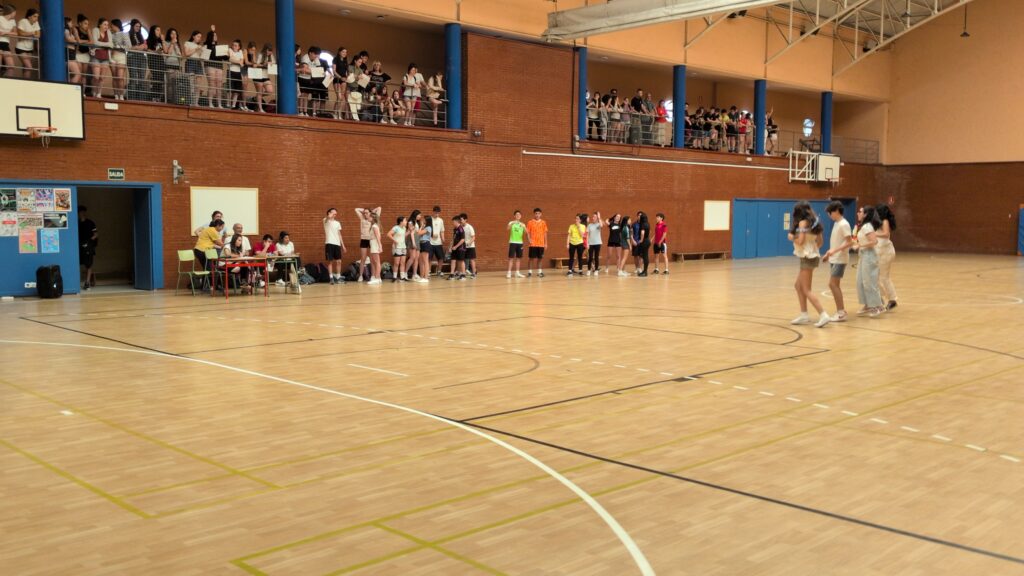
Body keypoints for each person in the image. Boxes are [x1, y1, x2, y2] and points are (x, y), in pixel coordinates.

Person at [787, 201, 830, 327]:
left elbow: (800, 241)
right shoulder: (815, 222)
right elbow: (820, 242)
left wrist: (791, 238)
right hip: (811, 256)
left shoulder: (802, 223)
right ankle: (804, 315)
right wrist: (811, 248)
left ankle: (823, 314)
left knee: (806, 289)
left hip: (807, 257)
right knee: (798, 285)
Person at [822, 201, 853, 322]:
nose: (829, 215)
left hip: (840, 258)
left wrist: (834, 251)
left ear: (836, 211)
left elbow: (849, 242)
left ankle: (841, 312)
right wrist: (828, 254)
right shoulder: (837, 223)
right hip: (835, 258)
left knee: (832, 284)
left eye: (830, 213)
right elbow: (837, 242)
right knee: (835, 285)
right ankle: (840, 311)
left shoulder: (844, 224)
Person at [854, 205, 884, 317]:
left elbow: (874, 241)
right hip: (863, 255)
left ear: (865, 214)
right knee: (860, 281)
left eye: (860, 212)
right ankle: (868, 304)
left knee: (869, 282)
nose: (858, 213)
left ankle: (877, 306)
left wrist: (860, 245)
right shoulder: (863, 226)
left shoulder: (867, 226)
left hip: (869, 256)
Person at [876, 204, 899, 311]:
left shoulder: (884, 221)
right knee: (877, 276)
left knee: (884, 277)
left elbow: (886, 234)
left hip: (885, 252)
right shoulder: (878, 222)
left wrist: (874, 234)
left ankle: (892, 299)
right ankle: (882, 297)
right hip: (881, 251)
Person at [353, 206, 381, 282]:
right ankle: (361, 275)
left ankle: (373, 276)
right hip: (364, 240)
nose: (365, 214)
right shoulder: (362, 218)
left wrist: (371, 211)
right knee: (363, 258)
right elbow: (356, 209)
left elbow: (379, 208)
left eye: (367, 213)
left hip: (371, 240)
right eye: (364, 213)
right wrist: (364, 211)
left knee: (372, 259)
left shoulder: (373, 219)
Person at [90, 18, 114, 98]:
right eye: (104, 24)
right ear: (100, 24)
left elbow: (111, 44)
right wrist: (107, 44)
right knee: (96, 77)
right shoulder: (95, 30)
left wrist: (110, 58)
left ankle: (99, 93)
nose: (106, 26)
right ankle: (93, 91)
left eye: (107, 25)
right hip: (96, 56)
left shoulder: (108, 32)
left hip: (105, 57)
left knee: (102, 78)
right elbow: (95, 42)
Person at [323, 208, 346, 284]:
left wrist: (343, 245)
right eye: (333, 213)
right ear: (329, 213)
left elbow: (339, 234)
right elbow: (326, 219)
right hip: (329, 243)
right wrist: (328, 216)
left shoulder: (337, 223)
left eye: (336, 213)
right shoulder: (325, 220)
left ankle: (338, 277)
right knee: (330, 261)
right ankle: (331, 278)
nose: (335, 214)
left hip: (337, 244)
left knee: (339, 261)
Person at [16, 9, 40, 79]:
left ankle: (23, 82)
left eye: (37, 17)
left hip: (30, 48)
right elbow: (20, 33)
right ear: (29, 17)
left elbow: (38, 35)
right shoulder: (23, 21)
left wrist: (27, 34)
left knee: (26, 67)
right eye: (34, 16)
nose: (36, 18)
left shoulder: (36, 23)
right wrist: (32, 33)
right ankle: (26, 82)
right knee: (29, 67)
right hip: (21, 47)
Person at [78, 205, 98, 290]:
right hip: (78, 245)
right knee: (77, 263)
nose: (82, 214)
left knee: (88, 264)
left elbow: (96, 234)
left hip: (88, 246)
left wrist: (88, 242)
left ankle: (87, 282)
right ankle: (76, 283)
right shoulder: (76, 223)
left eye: (83, 212)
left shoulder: (90, 223)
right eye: (80, 212)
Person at [525, 207, 548, 278]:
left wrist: (546, 243)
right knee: (531, 258)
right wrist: (529, 239)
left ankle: (539, 272)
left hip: (541, 244)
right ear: (534, 214)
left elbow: (545, 233)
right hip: (533, 244)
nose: (537, 215)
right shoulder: (530, 222)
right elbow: (527, 232)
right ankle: (529, 272)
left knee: (540, 258)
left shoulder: (543, 222)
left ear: (541, 214)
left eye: (538, 213)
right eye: (536, 213)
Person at [227, 39, 246, 111]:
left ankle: (233, 105)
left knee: (237, 90)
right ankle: (228, 104)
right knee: (230, 89)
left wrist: (236, 60)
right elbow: (230, 59)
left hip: (238, 72)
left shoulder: (240, 52)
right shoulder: (230, 50)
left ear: (239, 47)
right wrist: (238, 61)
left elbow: (242, 61)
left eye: (235, 45)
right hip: (230, 71)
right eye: (233, 45)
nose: (233, 46)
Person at [506, 209, 527, 278]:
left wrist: (524, 227)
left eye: (519, 215)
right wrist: (513, 223)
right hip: (512, 242)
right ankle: (509, 272)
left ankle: (517, 273)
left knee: (518, 258)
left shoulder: (522, 224)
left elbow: (526, 232)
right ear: (514, 216)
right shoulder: (511, 222)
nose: (518, 216)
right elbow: (507, 229)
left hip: (520, 243)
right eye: (517, 214)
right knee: (511, 258)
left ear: (521, 216)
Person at [388, 216, 408, 282]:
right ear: (401, 222)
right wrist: (395, 241)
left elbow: (403, 236)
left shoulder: (404, 228)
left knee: (403, 263)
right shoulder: (396, 228)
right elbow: (389, 234)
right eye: (405, 220)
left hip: (403, 247)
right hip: (397, 247)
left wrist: (410, 231)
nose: (406, 222)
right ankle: (394, 277)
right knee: (396, 263)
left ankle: (402, 277)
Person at [0, 5, 18, 78]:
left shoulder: (13, 21)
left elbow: (16, 33)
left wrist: (5, 33)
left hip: (5, 44)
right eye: (15, 12)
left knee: (11, 67)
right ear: (11, 12)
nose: (15, 14)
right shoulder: (0, 18)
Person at [448, 215, 467, 280]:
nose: (453, 223)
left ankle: (463, 275)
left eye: (453, 222)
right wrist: (450, 247)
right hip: (454, 248)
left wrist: (456, 246)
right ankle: (452, 274)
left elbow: (462, 239)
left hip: (461, 248)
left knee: (461, 261)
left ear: (457, 221)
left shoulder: (461, 229)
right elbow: (453, 239)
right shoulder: (455, 229)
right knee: (453, 260)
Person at [428, 205, 446, 276]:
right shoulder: (429, 219)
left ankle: (439, 271)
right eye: (436, 213)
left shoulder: (440, 220)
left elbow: (442, 231)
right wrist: (431, 235)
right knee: (429, 258)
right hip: (430, 242)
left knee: (441, 258)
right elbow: (426, 230)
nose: (437, 214)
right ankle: (428, 271)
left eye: (438, 213)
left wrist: (443, 238)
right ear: (433, 212)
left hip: (438, 242)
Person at [416, 212, 432, 283]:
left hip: (426, 243)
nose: (423, 220)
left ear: (427, 220)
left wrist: (421, 226)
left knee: (425, 261)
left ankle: (426, 277)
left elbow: (419, 233)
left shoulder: (428, 227)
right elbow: (418, 233)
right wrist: (422, 227)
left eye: (424, 219)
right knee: (421, 261)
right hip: (421, 244)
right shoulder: (425, 227)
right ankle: (422, 277)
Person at [585, 211, 603, 276]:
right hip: (590, 244)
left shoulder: (598, 224)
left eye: (595, 217)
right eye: (593, 216)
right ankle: (589, 270)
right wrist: (587, 243)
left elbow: (601, 225)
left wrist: (599, 217)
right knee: (590, 257)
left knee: (596, 257)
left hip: (598, 243)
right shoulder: (589, 225)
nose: (593, 218)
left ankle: (596, 270)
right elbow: (587, 235)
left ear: (597, 218)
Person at [367, 212, 383, 285]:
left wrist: (380, 246)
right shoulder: (374, 226)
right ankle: (378, 278)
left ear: (372, 218)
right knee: (375, 261)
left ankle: (376, 278)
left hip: (374, 243)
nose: (367, 217)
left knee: (377, 262)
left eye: (369, 216)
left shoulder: (374, 226)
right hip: (373, 243)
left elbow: (378, 237)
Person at [635, 211, 651, 276]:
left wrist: (641, 240)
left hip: (644, 241)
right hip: (647, 240)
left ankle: (645, 272)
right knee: (645, 256)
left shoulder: (642, 224)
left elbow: (642, 233)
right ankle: (645, 271)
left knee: (645, 256)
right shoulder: (648, 224)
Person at [462, 213, 477, 278]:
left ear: (465, 220)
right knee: (462, 260)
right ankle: (463, 273)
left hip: (470, 247)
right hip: (464, 246)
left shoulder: (469, 227)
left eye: (462, 219)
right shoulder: (461, 227)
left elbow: (473, 237)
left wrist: (469, 243)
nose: (461, 221)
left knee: (472, 260)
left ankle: (474, 273)